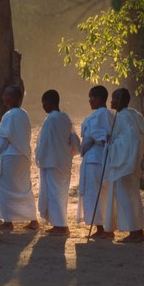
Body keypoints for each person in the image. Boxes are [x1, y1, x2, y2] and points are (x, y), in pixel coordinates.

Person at [103, 88, 144, 243]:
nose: (111, 101)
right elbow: (141, 139)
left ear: (120, 100)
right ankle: (137, 231)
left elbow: (129, 142)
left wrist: (111, 144)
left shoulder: (122, 117)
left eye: (114, 98)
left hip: (125, 165)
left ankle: (135, 233)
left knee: (125, 198)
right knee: (133, 196)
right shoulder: (136, 115)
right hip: (134, 163)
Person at [35, 89, 80, 236]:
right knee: (60, 193)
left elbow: (44, 142)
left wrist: (39, 158)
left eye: (44, 103)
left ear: (50, 102)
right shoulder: (65, 117)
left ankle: (61, 226)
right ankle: (59, 224)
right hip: (64, 161)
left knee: (54, 193)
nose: (43, 106)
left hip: (52, 162)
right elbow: (74, 139)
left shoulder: (51, 120)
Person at [0, 86, 38, 230]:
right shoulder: (24, 114)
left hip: (10, 156)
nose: (3, 97)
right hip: (23, 156)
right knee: (24, 188)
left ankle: (8, 221)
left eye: (7, 95)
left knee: (4, 189)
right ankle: (33, 220)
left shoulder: (9, 115)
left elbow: (4, 140)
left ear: (14, 98)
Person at [77, 85, 115, 238]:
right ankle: (106, 227)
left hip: (94, 158)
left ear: (99, 99)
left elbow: (89, 140)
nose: (89, 100)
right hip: (105, 157)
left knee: (95, 192)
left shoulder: (97, 116)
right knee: (104, 192)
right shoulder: (112, 115)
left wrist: (85, 147)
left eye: (92, 97)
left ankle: (101, 228)